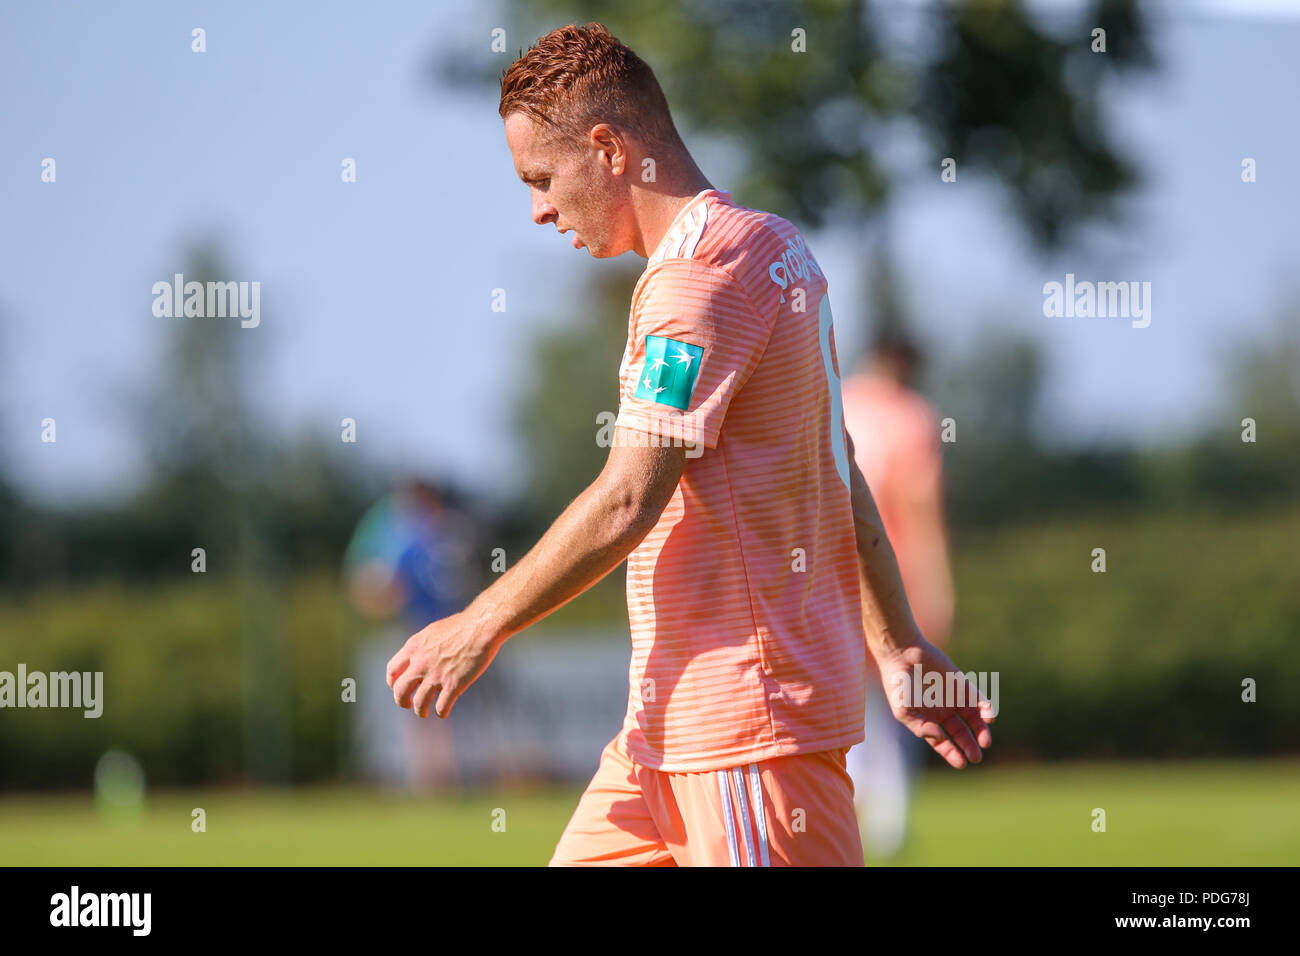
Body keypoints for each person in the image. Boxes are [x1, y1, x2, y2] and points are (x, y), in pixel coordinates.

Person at [386, 22, 993, 866]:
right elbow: (837, 473)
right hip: (656, 743)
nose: (537, 210)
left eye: (540, 179)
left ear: (607, 148)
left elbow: (630, 497)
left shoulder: (694, 284)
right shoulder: (777, 249)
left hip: (744, 735)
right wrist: (897, 648)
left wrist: (480, 622)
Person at [841, 334, 956, 857]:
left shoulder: (840, 397)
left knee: (850, 698)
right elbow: (920, 507)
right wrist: (939, 586)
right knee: (900, 697)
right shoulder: (914, 417)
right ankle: (886, 821)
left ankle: (853, 809)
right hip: (893, 570)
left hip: (830, 569)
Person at [345, 479, 475, 789]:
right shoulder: (415, 538)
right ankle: (433, 778)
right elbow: (388, 585)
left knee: (438, 707)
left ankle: (440, 776)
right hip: (423, 631)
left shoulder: (432, 535)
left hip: (451, 631)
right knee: (426, 707)